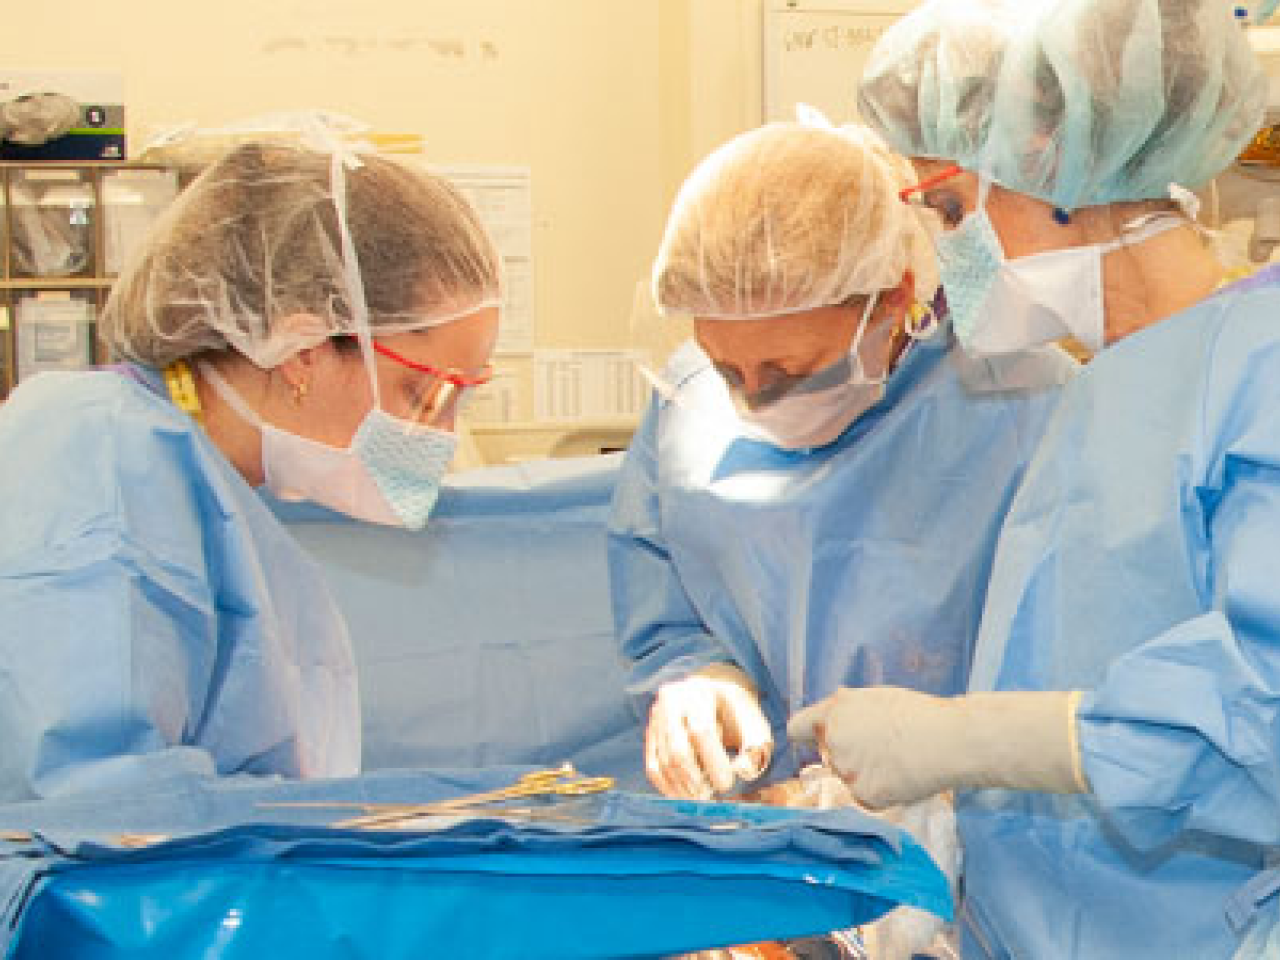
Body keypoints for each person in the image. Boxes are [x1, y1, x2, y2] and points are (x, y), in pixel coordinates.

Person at [787, 1, 1280, 956]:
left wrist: (967, 743)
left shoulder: (1258, 368)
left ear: (1054, 162)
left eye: (948, 207)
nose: (943, 248)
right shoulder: (1120, 383)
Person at [0, 139, 501, 802]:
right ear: (302, 349)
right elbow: (101, 813)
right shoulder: (99, 458)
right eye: (427, 395)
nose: (440, 436)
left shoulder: (209, 484)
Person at [607, 115, 1075, 804]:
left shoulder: (1023, 408)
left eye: (788, 369)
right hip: (772, 833)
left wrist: (950, 779)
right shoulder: (690, 405)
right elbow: (666, 602)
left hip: (979, 844)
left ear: (892, 301)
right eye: (727, 368)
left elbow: (1075, 685)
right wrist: (701, 678)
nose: (753, 399)